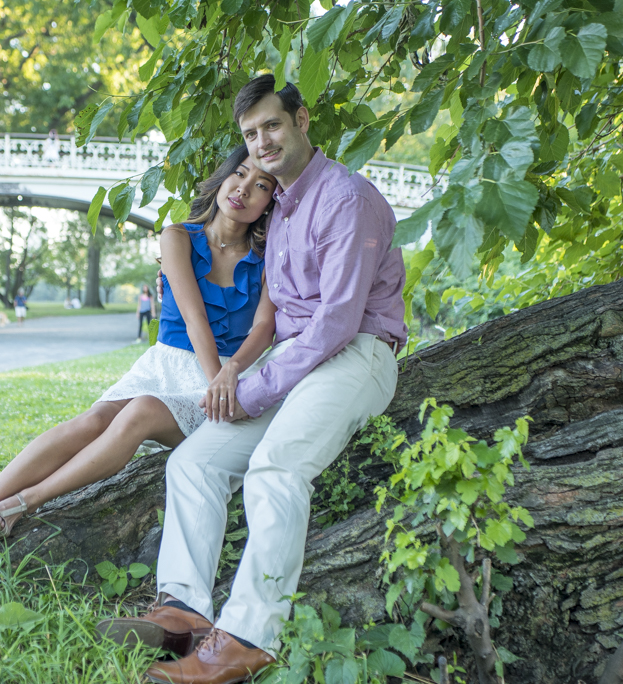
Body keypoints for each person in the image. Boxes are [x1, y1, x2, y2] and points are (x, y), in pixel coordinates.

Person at [98, 75, 407, 684]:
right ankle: (184, 610)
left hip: (357, 354)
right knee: (194, 461)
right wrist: (240, 369)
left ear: (301, 120)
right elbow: (276, 318)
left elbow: (336, 323)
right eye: (249, 133)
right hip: (295, 361)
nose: (261, 141)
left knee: (275, 466)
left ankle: (245, 641)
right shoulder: (283, 207)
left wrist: (251, 389)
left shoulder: (346, 198)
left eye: (271, 125)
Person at [0, 145, 279, 552]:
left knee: (142, 412)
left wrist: (228, 375)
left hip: (226, 382)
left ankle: (23, 504)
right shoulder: (177, 236)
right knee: (95, 419)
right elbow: (193, 319)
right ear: (222, 178)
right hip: (170, 365)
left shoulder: (268, 256)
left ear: (270, 203)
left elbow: (264, 327)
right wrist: (216, 375)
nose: (243, 189)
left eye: (261, 186)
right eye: (239, 174)